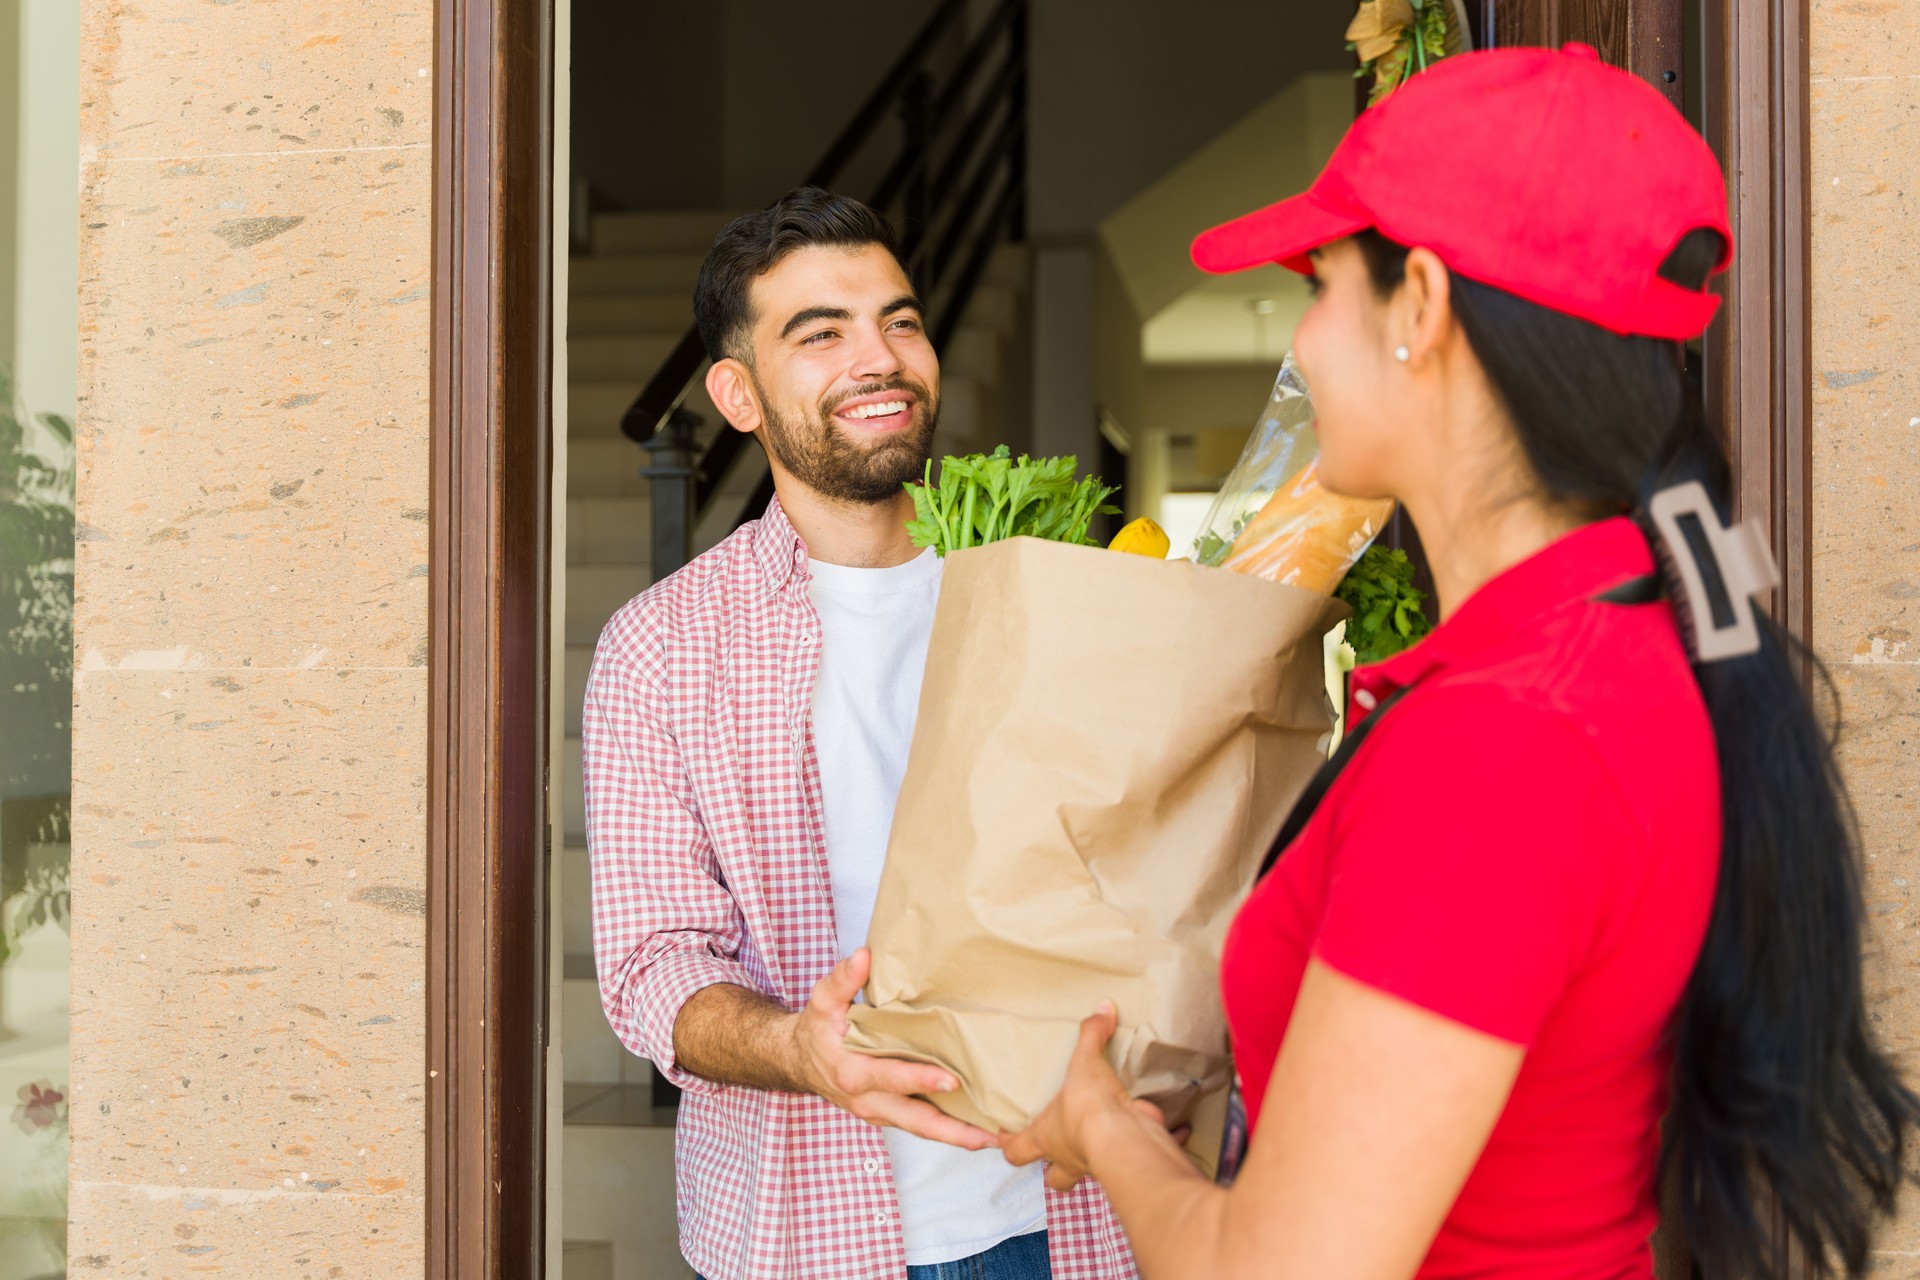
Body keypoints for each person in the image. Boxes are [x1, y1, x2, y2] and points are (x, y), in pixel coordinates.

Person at [1003, 44, 1918, 1280]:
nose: (1305, 339)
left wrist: (1107, 1132)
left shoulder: (1506, 743)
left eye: (1319, 283)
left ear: (1421, 308)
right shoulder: (1624, 639)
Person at [582, 188, 1135, 1280]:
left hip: (1068, 1209)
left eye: (900, 319)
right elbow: (651, 966)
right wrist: (800, 1045)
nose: (878, 356)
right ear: (736, 395)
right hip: (807, 1236)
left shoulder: (1047, 581)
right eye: (819, 332)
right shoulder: (662, 647)